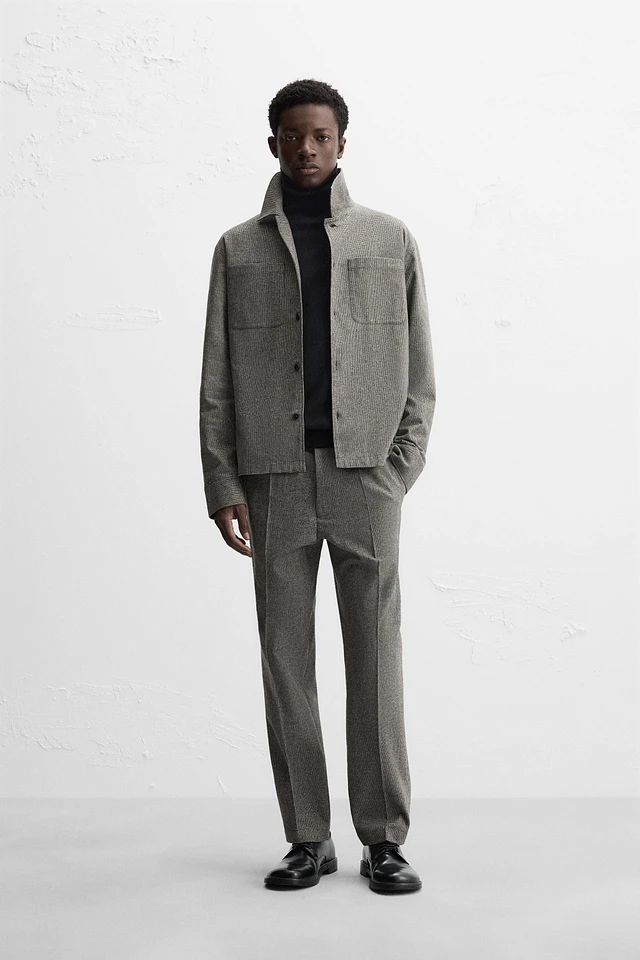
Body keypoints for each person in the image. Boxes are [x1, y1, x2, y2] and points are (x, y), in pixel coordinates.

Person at [199, 78, 436, 894]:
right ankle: (308, 837)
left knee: (376, 659)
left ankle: (384, 839)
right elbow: (217, 379)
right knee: (285, 662)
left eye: (321, 135)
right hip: (272, 480)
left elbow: (422, 376)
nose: (307, 148)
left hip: (366, 476)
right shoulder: (237, 250)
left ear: (342, 142)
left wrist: (397, 470)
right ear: (272, 142)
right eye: (293, 135)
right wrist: (223, 481)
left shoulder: (389, 240)